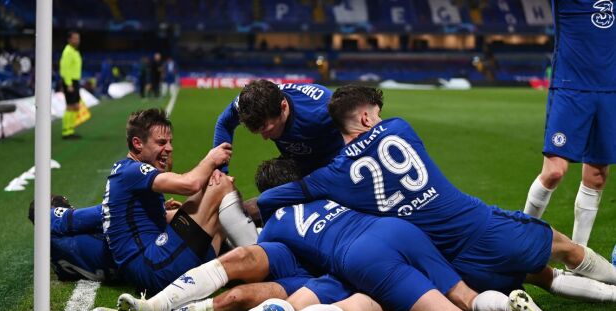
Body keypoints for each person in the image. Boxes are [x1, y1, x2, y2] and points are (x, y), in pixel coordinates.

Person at [113, 159, 587, 311]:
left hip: (357, 263)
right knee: (460, 297)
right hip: (403, 232)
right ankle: (510, 306)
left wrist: (220, 199)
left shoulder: (278, 225)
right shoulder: (335, 191)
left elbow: (247, 244)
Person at [257, 86, 616, 297]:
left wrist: (252, 204)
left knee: (532, 277)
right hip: (481, 227)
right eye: (375, 113)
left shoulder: (332, 177)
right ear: (367, 118)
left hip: (448, 262)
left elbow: (287, 193)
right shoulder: (400, 128)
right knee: (562, 248)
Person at [101, 108, 257, 294]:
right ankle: (258, 259)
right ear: (137, 144)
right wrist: (211, 160)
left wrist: (179, 212)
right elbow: (190, 184)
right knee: (221, 185)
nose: (169, 148)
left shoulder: (128, 173)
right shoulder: (131, 171)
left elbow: (144, 221)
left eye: (170, 142)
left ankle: (248, 256)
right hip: (151, 267)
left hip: (156, 261)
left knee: (219, 205)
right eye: (161, 142)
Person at [523, 0, 616, 246]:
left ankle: (578, 259)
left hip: (609, 92)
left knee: (596, 176)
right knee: (554, 171)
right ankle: (518, 245)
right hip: (571, 88)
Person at [213, 79, 342, 176]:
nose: (264, 138)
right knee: (267, 182)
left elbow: (360, 129)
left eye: (267, 129)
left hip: (335, 164)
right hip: (300, 162)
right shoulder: (248, 101)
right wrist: (220, 170)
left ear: (283, 106)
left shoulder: (322, 107)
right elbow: (224, 122)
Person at [59, 31, 83, 139]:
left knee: (75, 106)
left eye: (78, 38)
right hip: (70, 81)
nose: (77, 40)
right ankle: (66, 131)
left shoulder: (74, 51)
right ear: (69, 40)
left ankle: (71, 130)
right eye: (75, 38)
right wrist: (68, 83)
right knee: (70, 106)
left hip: (75, 81)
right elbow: (65, 69)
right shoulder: (68, 51)